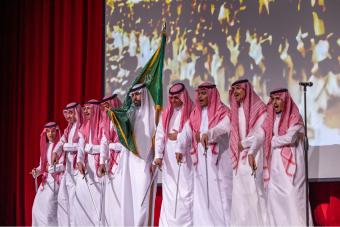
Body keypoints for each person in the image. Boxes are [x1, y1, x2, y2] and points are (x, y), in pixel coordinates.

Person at [177, 82, 232, 226]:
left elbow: (223, 127)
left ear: (211, 94)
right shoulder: (196, 113)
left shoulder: (223, 111)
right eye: (199, 93)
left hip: (219, 164)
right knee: (202, 199)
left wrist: (208, 134)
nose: (200, 96)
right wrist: (179, 149)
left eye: (203, 93)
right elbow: (186, 132)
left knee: (222, 199)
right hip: (201, 165)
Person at [262, 88, 312, 225]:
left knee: (293, 198)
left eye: (278, 99)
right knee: (274, 198)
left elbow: (290, 138)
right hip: (276, 168)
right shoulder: (271, 119)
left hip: (292, 169)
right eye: (272, 100)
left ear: (285, 100)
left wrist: (272, 140)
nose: (275, 102)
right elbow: (262, 134)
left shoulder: (294, 118)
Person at [153, 83, 194, 226]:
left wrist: (180, 136)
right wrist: (158, 155)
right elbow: (159, 135)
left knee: (185, 191)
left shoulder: (192, 112)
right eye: (171, 98)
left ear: (183, 96)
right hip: (169, 161)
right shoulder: (166, 113)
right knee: (170, 193)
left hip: (186, 159)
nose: (174, 101)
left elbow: (195, 132)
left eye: (177, 97)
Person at [228, 79, 267, 225]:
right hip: (239, 159)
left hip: (254, 155)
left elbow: (260, 133)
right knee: (239, 196)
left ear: (247, 90)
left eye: (238, 89)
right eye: (233, 89)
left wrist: (244, 144)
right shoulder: (235, 110)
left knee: (254, 193)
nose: (235, 92)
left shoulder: (259, 108)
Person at [126, 83, 157, 226]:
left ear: (144, 94)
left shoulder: (154, 113)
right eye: (132, 95)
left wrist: (155, 159)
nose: (134, 98)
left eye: (137, 94)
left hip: (146, 164)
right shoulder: (132, 114)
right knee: (132, 199)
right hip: (132, 164)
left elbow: (158, 137)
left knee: (143, 200)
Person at [74, 99, 105, 226]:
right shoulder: (84, 126)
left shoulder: (103, 125)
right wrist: (79, 160)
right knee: (82, 198)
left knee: (98, 202)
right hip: (87, 167)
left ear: (96, 109)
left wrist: (93, 149)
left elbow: (105, 145)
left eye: (88, 108)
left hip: (100, 167)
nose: (85, 111)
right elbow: (81, 147)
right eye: (84, 108)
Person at [97, 94, 127, 226]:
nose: (106, 109)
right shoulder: (105, 121)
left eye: (108, 106)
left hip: (122, 162)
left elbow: (127, 142)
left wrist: (112, 146)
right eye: (104, 107)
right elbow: (104, 141)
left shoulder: (123, 118)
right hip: (110, 163)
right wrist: (102, 161)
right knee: (110, 199)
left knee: (121, 198)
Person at [52, 102, 82, 226]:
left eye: (71, 112)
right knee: (63, 199)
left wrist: (65, 147)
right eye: (67, 113)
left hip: (77, 168)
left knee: (74, 199)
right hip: (68, 169)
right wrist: (55, 152)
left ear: (76, 112)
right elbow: (61, 141)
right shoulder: (69, 128)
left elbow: (80, 145)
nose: (69, 116)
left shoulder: (82, 126)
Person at [32, 122, 64, 226]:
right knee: (36, 210)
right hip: (45, 183)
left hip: (56, 182)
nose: (51, 134)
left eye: (53, 131)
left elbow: (64, 166)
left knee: (49, 212)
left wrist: (50, 169)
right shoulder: (45, 146)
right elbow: (42, 166)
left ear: (57, 131)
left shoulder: (61, 147)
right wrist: (36, 171)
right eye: (48, 132)